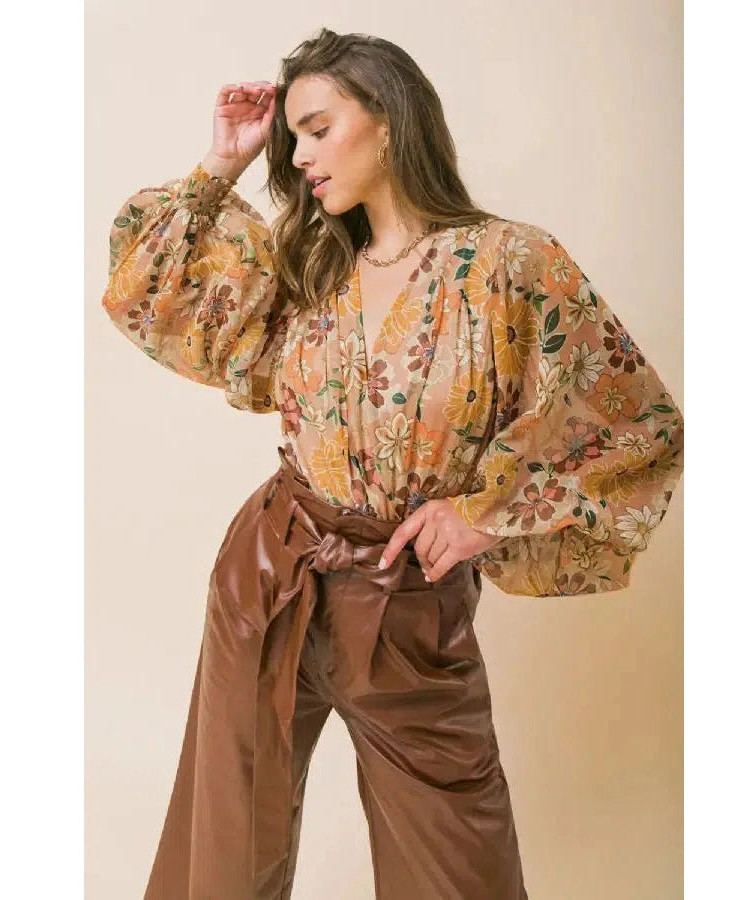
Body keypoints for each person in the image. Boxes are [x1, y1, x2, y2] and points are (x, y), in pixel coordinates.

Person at [100, 27, 683, 900]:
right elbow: (149, 288)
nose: (300, 157)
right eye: (293, 138)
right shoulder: (309, 265)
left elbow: (635, 422)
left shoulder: (507, 264)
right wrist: (224, 162)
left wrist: (484, 516)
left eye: (318, 129)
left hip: (407, 602)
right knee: (220, 853)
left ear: (389, 118)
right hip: (271, 569)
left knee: (458, 872)